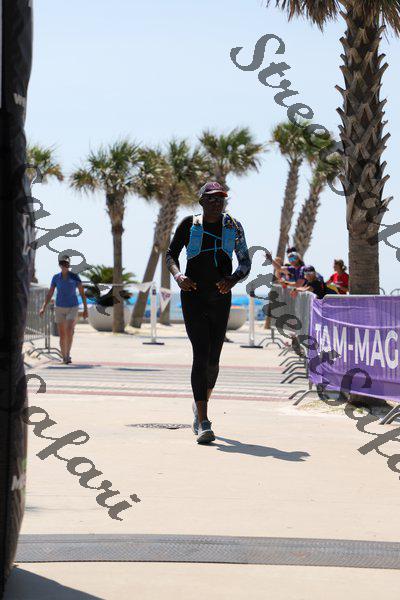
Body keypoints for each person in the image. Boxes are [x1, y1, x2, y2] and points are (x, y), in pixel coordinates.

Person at [166, 181, 251, 444]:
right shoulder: (189, 225)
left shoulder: (233, 227)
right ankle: (204, 421)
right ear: (201, 201)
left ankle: (199, 404)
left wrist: (233, 280)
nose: (216, 202)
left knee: (213, 360)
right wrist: (179, 276)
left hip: (220, 298)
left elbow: (245, 261)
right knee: (200, 355)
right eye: (211, 198)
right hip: (193, 296)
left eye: (221, 198)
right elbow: (170, 255)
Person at [39, 255, 88, 364]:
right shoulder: (56, 277)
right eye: (62, 263)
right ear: (59, 265)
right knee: (62, 334)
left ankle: (68, 355)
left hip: (73, 306)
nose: (64, 265)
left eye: (66, 264)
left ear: (69, 265)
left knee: (69, 330)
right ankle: (64, 356)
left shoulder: (75, 277)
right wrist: (43, 307)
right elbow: (50, 293)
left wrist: (85, 309)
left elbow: (82, 293)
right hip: (59, 307)